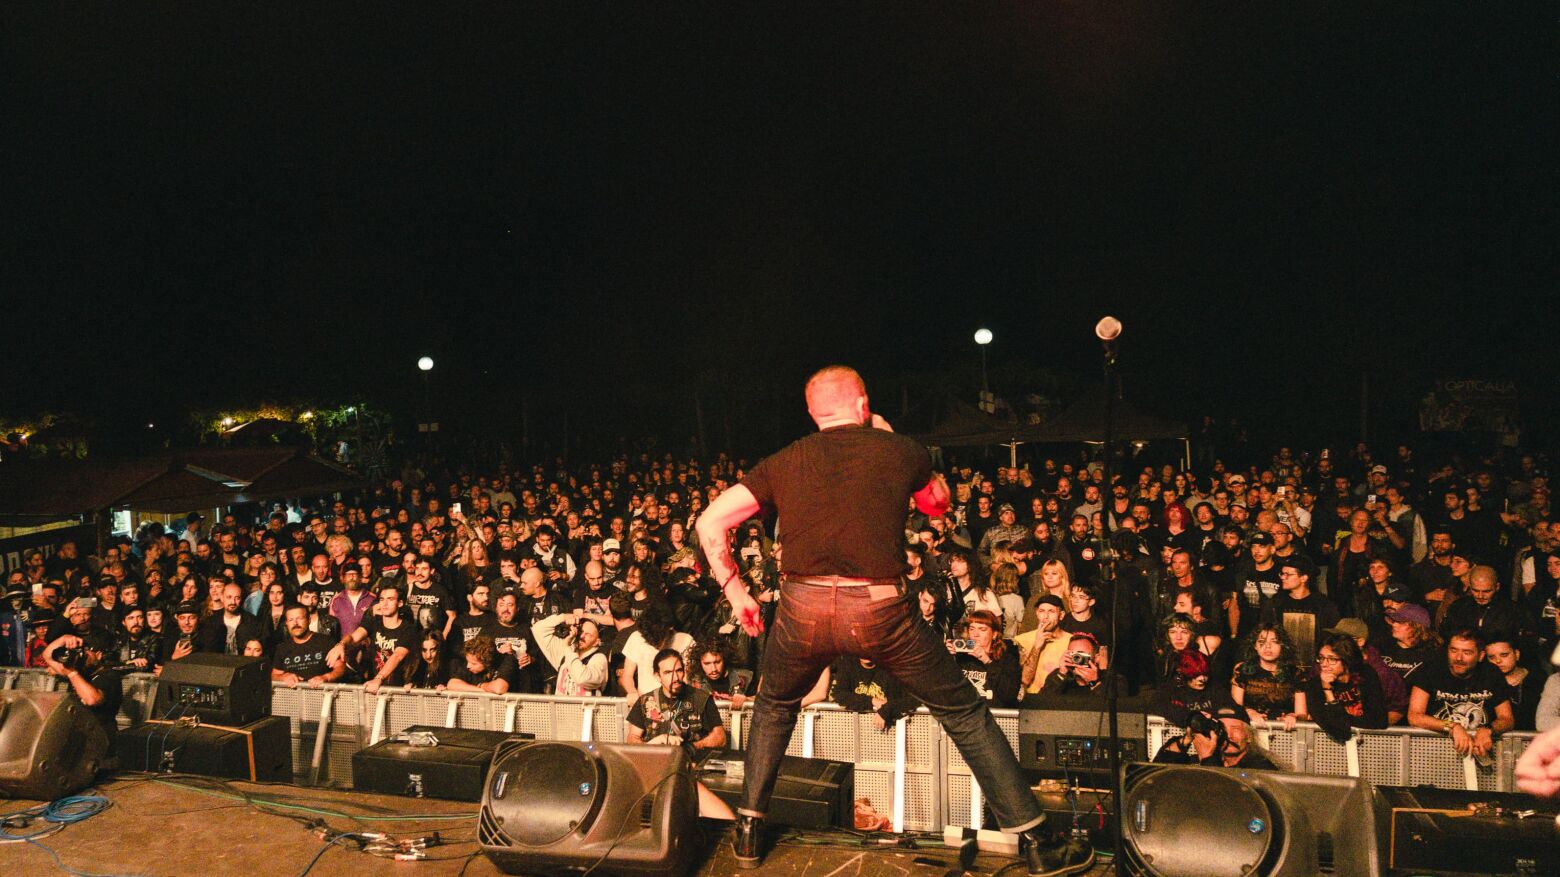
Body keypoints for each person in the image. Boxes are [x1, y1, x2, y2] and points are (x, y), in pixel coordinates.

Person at [694, 366, 1090, 874]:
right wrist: (889, 439)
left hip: (802, 606)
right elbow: (939, 504)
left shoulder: (785, 458)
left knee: (774, 705)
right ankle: (1036, 844)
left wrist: (736, 591)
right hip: (878, 608)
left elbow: (709, 523)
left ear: (814, 414)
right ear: (863, 404)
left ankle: (748, 831)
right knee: (963, 713)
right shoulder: (898, 448)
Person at [1407, 629, 1514, 762]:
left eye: (1467, 652)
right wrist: (1452, 726)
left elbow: (1507, 718)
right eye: (1453, 650)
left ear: (1481, 656)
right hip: (1434, 751)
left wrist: (1488, 730)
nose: (1458, 658)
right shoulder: (1431, 670)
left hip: (1480, 751)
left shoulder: (1491, 674)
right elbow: (1415, 716)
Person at [1303, 633, 1387, 742]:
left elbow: (1379, 721)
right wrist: (1327, 691)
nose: (1324, 664)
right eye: (1321, 658)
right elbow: (1339, 732)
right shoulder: (1314, 685)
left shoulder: (1366, 674)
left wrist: (1343, 722)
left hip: (1368, 744)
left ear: (1347, 660)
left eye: (1332, 659)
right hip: (1329, 747)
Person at [1152, 703, 1278, 770]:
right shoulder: (1206, 758)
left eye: (1235, 729)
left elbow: (1222, 794)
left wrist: (1207, 758)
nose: (1228, 735)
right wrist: (1186, 739)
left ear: (1249, 736)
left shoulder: (1260, 766)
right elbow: (1158, 770)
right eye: (1222, 728)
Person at [272, 604, 345, 688]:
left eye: (299, 618)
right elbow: (274, 675)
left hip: (323, 695)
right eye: (291, 620)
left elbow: (340, 668)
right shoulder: (282, 648)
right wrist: (283, 677)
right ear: (287, 623)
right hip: (292, 698)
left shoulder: (326, 641)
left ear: (309, 620)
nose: (295, 623)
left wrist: (326, 677)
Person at [1037, 633, 1104, 696]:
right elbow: (1041, 702)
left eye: (1081, 654)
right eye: (1073, 654)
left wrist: (1094, 683)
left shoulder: (1107, 679)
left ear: (1096, 658)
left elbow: (1106, 705)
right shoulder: (1059, 675)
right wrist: (1061, 674)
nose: (1077, 658)